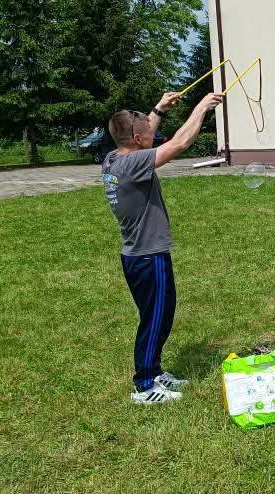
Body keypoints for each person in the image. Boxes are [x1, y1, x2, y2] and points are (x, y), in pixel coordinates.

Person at [102, 91, 223, 404]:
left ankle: (154, 370)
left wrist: (158, 109)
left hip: (137, 254)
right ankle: (144, 384)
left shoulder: (114, 158)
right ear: (138, 139)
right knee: (155, 319)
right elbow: (179, 144)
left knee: (158, 314)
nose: (153, 136)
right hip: (148, 256)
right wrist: (202, 107)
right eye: (149, 134)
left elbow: (142, 134)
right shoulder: (133, 163)